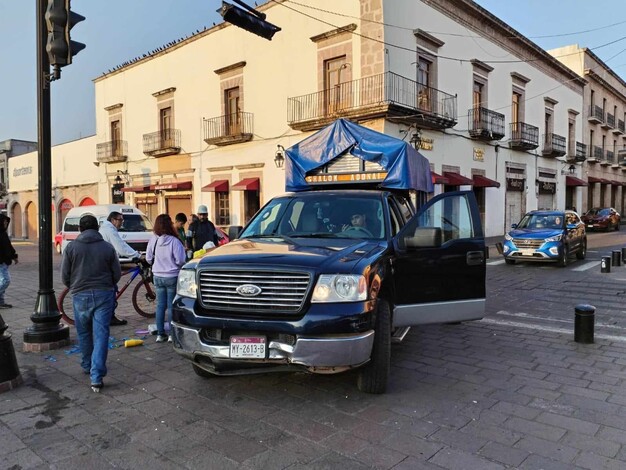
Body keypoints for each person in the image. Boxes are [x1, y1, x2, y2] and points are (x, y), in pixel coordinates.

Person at [61, 215, 121, 393]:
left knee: (84, 332)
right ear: (96, 228)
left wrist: (75, 285)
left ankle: (87, 364)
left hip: (80, 295)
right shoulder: (107, 248)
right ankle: (96, 376)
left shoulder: (71, 247)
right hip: (104, 294)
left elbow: (65, 276)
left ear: (80, 229)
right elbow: (116, 273)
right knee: (101, 334)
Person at [146, 214, 186, 343]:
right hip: (172, 276)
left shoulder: (154, 239)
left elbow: (148, 258)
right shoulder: (175, 241)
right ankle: (172, 335)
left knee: (160, 306)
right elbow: (180, 260)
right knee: (171, 306)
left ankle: (160, 334)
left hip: (157, 276)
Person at [99, 211, 141, 326]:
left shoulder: (107, 228)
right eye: (120, 220)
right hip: (107, 264)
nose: (121, 223)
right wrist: (136, 256)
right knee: (112, 288)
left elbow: (121, 244)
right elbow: (120, 247)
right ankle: (110, 316)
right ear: (113, 220)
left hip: (105, 262)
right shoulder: (110, 230)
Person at [0, 214, 18, 308]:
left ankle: (1, 302)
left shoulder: (3, 233)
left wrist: (14, 256)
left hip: (4, 261)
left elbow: (8, 247)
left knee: (2, 281)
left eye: (7, 221)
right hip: (1, 262)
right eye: (4, 221)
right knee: (6, 281)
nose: (6, 223)